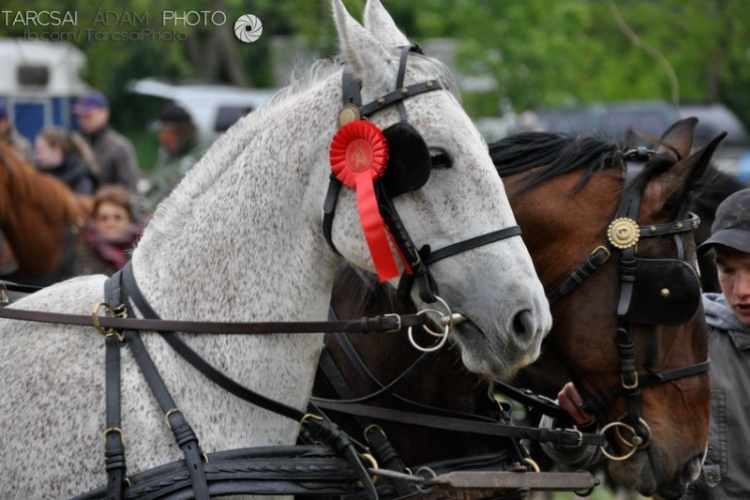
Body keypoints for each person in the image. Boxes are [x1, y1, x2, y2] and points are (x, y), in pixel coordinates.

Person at [544, 188, 750, 499]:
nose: (742, 289)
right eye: (728, 269)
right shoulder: (676, 343)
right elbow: (592, 455)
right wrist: (576, 421)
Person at [139, 102, 207, 212]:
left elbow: (179, 189)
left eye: (167, 132)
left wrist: (154, 210)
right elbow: (156, 182)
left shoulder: (203, 150)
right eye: (161, 132)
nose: (162, 138)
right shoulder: (167, 151)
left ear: (183, 132)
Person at [73, 90, 141, 193]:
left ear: (105, 114)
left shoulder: (119, 148)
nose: (84, 120)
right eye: (81, 116)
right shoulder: (74, 145)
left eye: (89, 115)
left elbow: (130, 188)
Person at [73, 185, 144, 276]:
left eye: (117, 217)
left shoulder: (143, 250)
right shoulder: (81, 255)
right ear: (95, 221)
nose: (110, 223)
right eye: (103, 218)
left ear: (129, 220)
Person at [35, 127, 98, 195]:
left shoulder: (81, 176)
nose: (38, 157)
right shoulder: (39, 173)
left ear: (57, 150)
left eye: (41, 151)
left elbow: (82, 201)